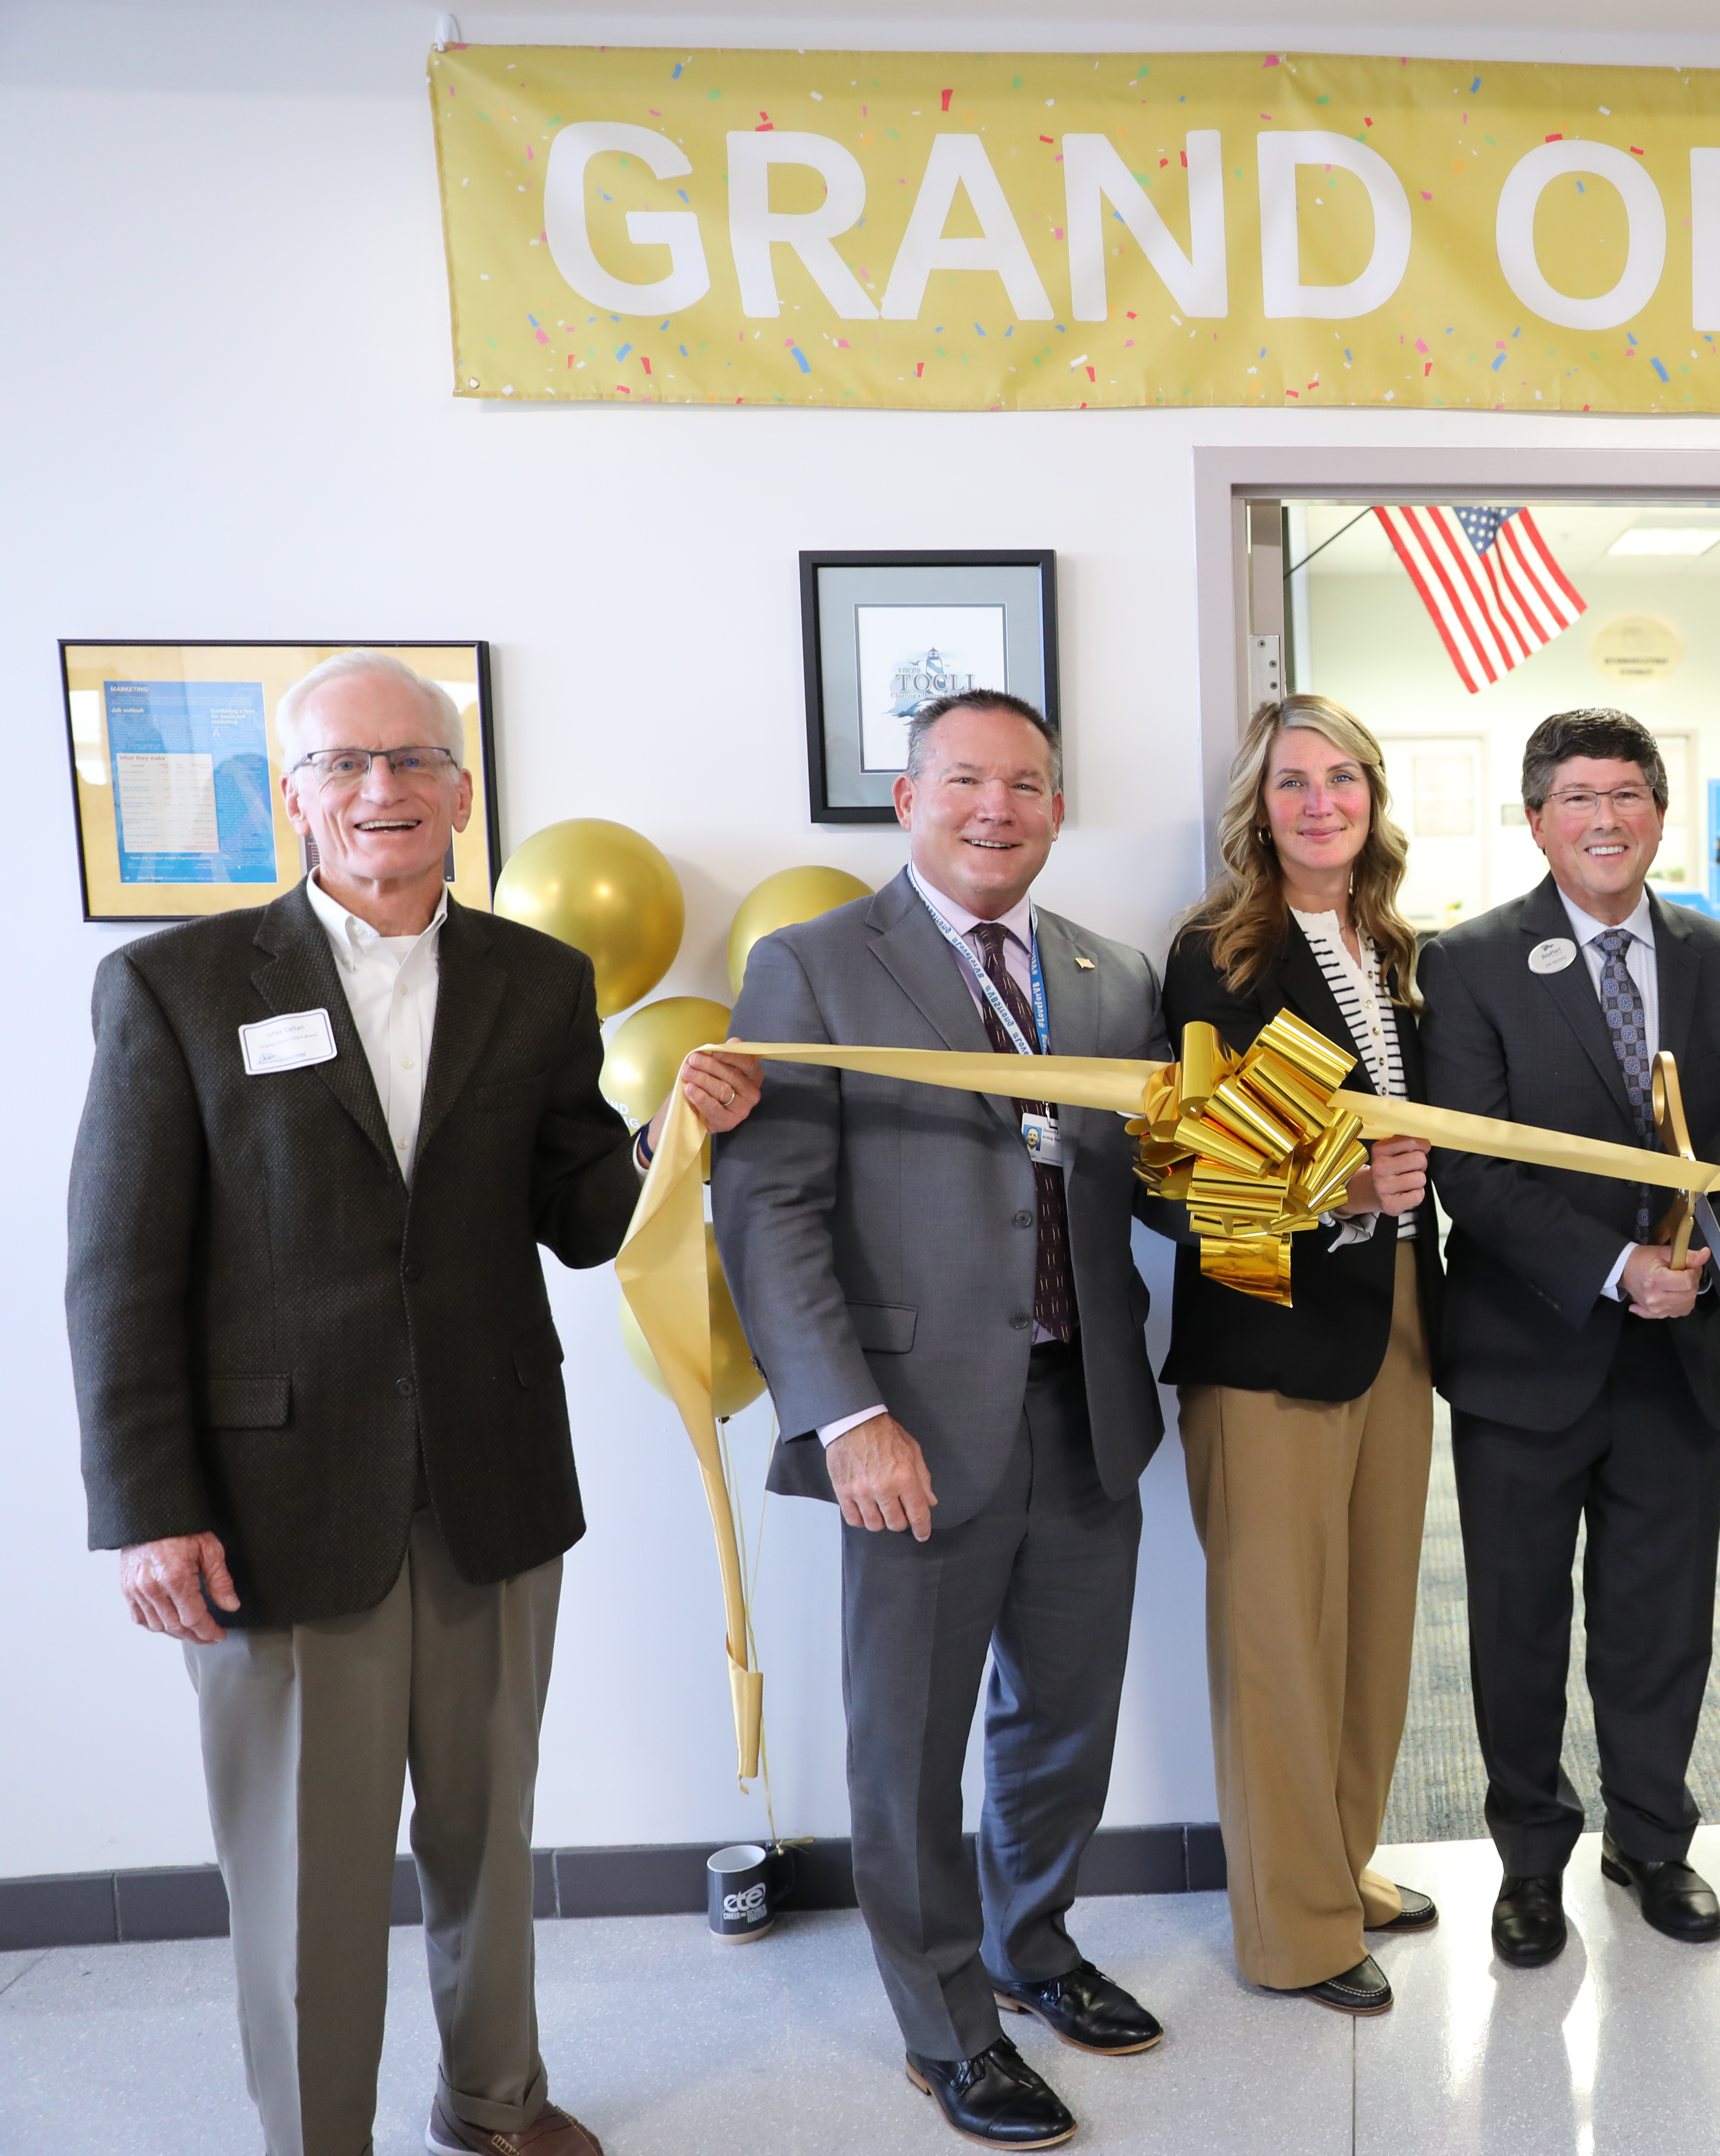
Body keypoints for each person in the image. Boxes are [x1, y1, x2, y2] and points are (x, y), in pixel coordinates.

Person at [68, 648, 759, 2156]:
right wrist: (149, 1512)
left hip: (494, 1483)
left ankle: (497, 2107)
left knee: (485, 1836)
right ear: (295, 799)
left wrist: (661, 1148)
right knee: (306, 1880)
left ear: (461, 792)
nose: (379, 790)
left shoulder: (535, 979)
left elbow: (577, 1209)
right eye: (342, 765)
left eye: (410, 763)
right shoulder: (174, 988)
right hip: (273, 1510)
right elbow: (115, 1274)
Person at [716, 689, 1169, 2151]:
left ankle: (1033, 1949)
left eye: (1027, 785)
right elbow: (769, 1212)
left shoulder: (1109, 973)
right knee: (908, 1746)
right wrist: (847, 1418)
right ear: (905, 801)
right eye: (965, 781)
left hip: (1086, 1411)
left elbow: (1148, 1182)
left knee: (1064, 1721)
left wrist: (1322, 1186)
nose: (998, 808)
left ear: (1055, 806)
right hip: (909, 1425)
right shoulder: (813, 967)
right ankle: (946, 2023)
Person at [1418, 708, 1720, 1973]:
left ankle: (1654, 1838)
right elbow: (1474, 1169)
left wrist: (1702, 1264)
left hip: (1680, 1355)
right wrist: (1615, 1266)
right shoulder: (1466, 964)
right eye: (1577, 797)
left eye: (1629, 795)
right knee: (1519, 1624)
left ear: (1660, 813)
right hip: (1530, 1355)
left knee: (1659, 1617)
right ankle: (1531, 1863)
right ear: (1537, 819)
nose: (1605, 819)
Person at [1158, 696, 1447, 2016]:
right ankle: (1295, 1930)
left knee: (1374, 1620)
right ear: (1256, 809)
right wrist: (1344, 1188)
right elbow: (1180, 1176)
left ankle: (1343, 1861)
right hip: (1266, 1333)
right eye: (1293, 783)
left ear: (1375, 798)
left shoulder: (1395, 948)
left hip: (1395, 1317)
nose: (1322, 802)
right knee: (1278, 1639)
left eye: (1344, 779)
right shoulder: (1216, 955)